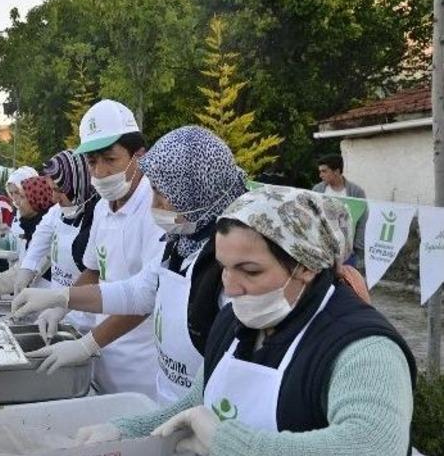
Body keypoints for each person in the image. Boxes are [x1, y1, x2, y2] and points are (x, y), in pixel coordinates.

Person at [76, 187, 416, 456]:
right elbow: (197, 403)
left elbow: (373, 444)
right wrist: (124, 430)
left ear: (306, 266)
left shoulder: (364, 349)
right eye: (224, 267)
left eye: (250, 271)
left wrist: (228, 442)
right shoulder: (233, 321)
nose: (231, 287)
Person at [14, 126, 248, 409]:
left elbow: (222, 380)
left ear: (196, 191)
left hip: (199, 414)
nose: (154, 204)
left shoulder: (232, 268)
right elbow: (138, 292)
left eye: (162, 194)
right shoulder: (180, 245)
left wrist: (84, 340)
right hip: (166, 405)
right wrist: (61, 299)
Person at [16, 99, 165, 400]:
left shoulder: (156, 210)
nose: (101, 172)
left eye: (111, 159)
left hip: (140, 369)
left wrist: (86, 343)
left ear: (138, 156)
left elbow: (145, 298)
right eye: (93, 162)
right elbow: (94, 270)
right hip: (104, 358)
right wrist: (61, 308)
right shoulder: (102, 208)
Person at [21, 150, 100, 335]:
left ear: (78, 183)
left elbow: (95, 273)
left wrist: (62, 305)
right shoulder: (58, 211)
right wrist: (26, 269)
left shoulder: (99, 216)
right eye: (52, 190)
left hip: (87, 322)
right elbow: (40, 238)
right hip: (58, 315)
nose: (54, 198)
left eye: (59, 190)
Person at [313, 153, 366, 266]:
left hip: (347, 253)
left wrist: (357, 248)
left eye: (324, 171)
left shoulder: (356, 192)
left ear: (336, 171)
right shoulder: (317, 190)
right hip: (321, 250)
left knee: (345, 278)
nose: (320, 175)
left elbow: (362, 220)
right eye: (320, 171)